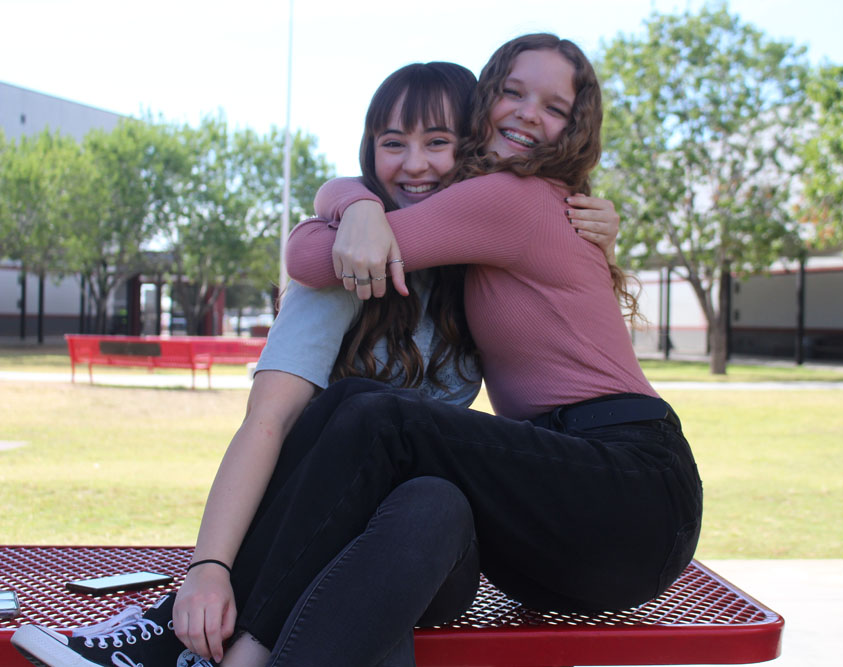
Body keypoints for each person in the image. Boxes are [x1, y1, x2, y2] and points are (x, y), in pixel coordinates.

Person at [10, 58, 621, 667]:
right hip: (306, 548)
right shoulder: (340, 265)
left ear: (473, 149)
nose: (413, 163)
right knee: (389, 534)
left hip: (427, 553)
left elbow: (561, 297)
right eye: (392, 143)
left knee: (436, 501)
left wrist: (600, 222)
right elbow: (267, 422)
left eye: (438, 142)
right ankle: (186, 638)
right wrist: (208, 570)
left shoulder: (484, 268)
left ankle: (203, 651)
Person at [217, 33, 702, 666]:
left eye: (555, 107)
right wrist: (351, 194)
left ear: (573, 129)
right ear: (485, 100)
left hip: (628, 491)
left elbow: (310, 255)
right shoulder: (498, 207)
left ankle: (243, 645)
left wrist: (355, 201)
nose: (530, 113)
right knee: (407, 470)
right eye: (513, 92)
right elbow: (337, 238)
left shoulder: (511, 199)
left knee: (376, 413)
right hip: (549, 530)